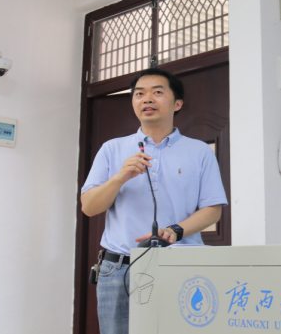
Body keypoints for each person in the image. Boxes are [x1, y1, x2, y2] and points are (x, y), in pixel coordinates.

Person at [80, 68, 228, 334]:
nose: (147, 99)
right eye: (139, 94)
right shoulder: (112, 149)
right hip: (118, 268)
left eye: (157, 92)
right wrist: (120, 177)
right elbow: (89, 207)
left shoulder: (199, 152)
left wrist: (174, 231)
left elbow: (212, 210)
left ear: (177, 103)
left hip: (179, 263)